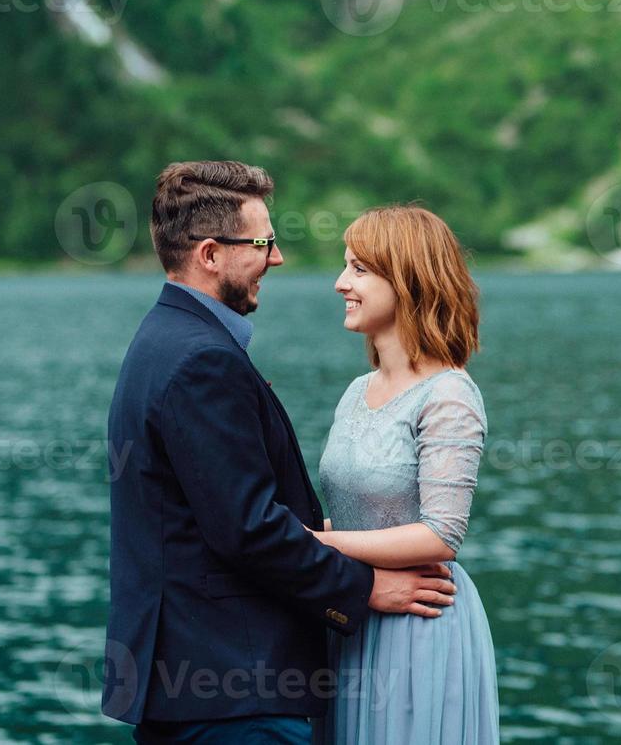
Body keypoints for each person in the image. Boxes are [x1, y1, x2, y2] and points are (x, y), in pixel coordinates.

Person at [102, 161, 458, 744]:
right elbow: (248, 529)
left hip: (195, 685)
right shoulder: (201, 361)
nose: (277, 257)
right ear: (211, 254)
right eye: (263, 242)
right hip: (233, 690)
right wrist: (366, 588)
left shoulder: (162, 340)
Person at [312, 204, 500, 744]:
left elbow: (441, 534)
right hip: (353, 613)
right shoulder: (356, 390)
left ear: (409, 279)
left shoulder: (449, 395)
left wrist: (315, 544)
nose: (340, 283)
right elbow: (357, 510)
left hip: (418, 622)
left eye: (360, 269)